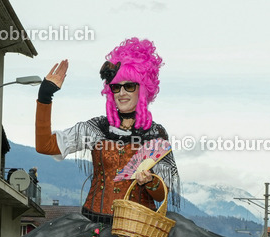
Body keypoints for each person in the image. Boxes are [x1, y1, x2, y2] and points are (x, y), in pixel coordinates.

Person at [35, 38, 180, 223]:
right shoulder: (95, 129)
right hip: (94, 226)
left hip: (136, 229)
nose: (121, 93)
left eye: (129, 86)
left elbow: (161, 195)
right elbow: (45, 146)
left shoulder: (155, 134)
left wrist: (150, 181)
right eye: (116, 87)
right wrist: (45, 97)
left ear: (142, 89)